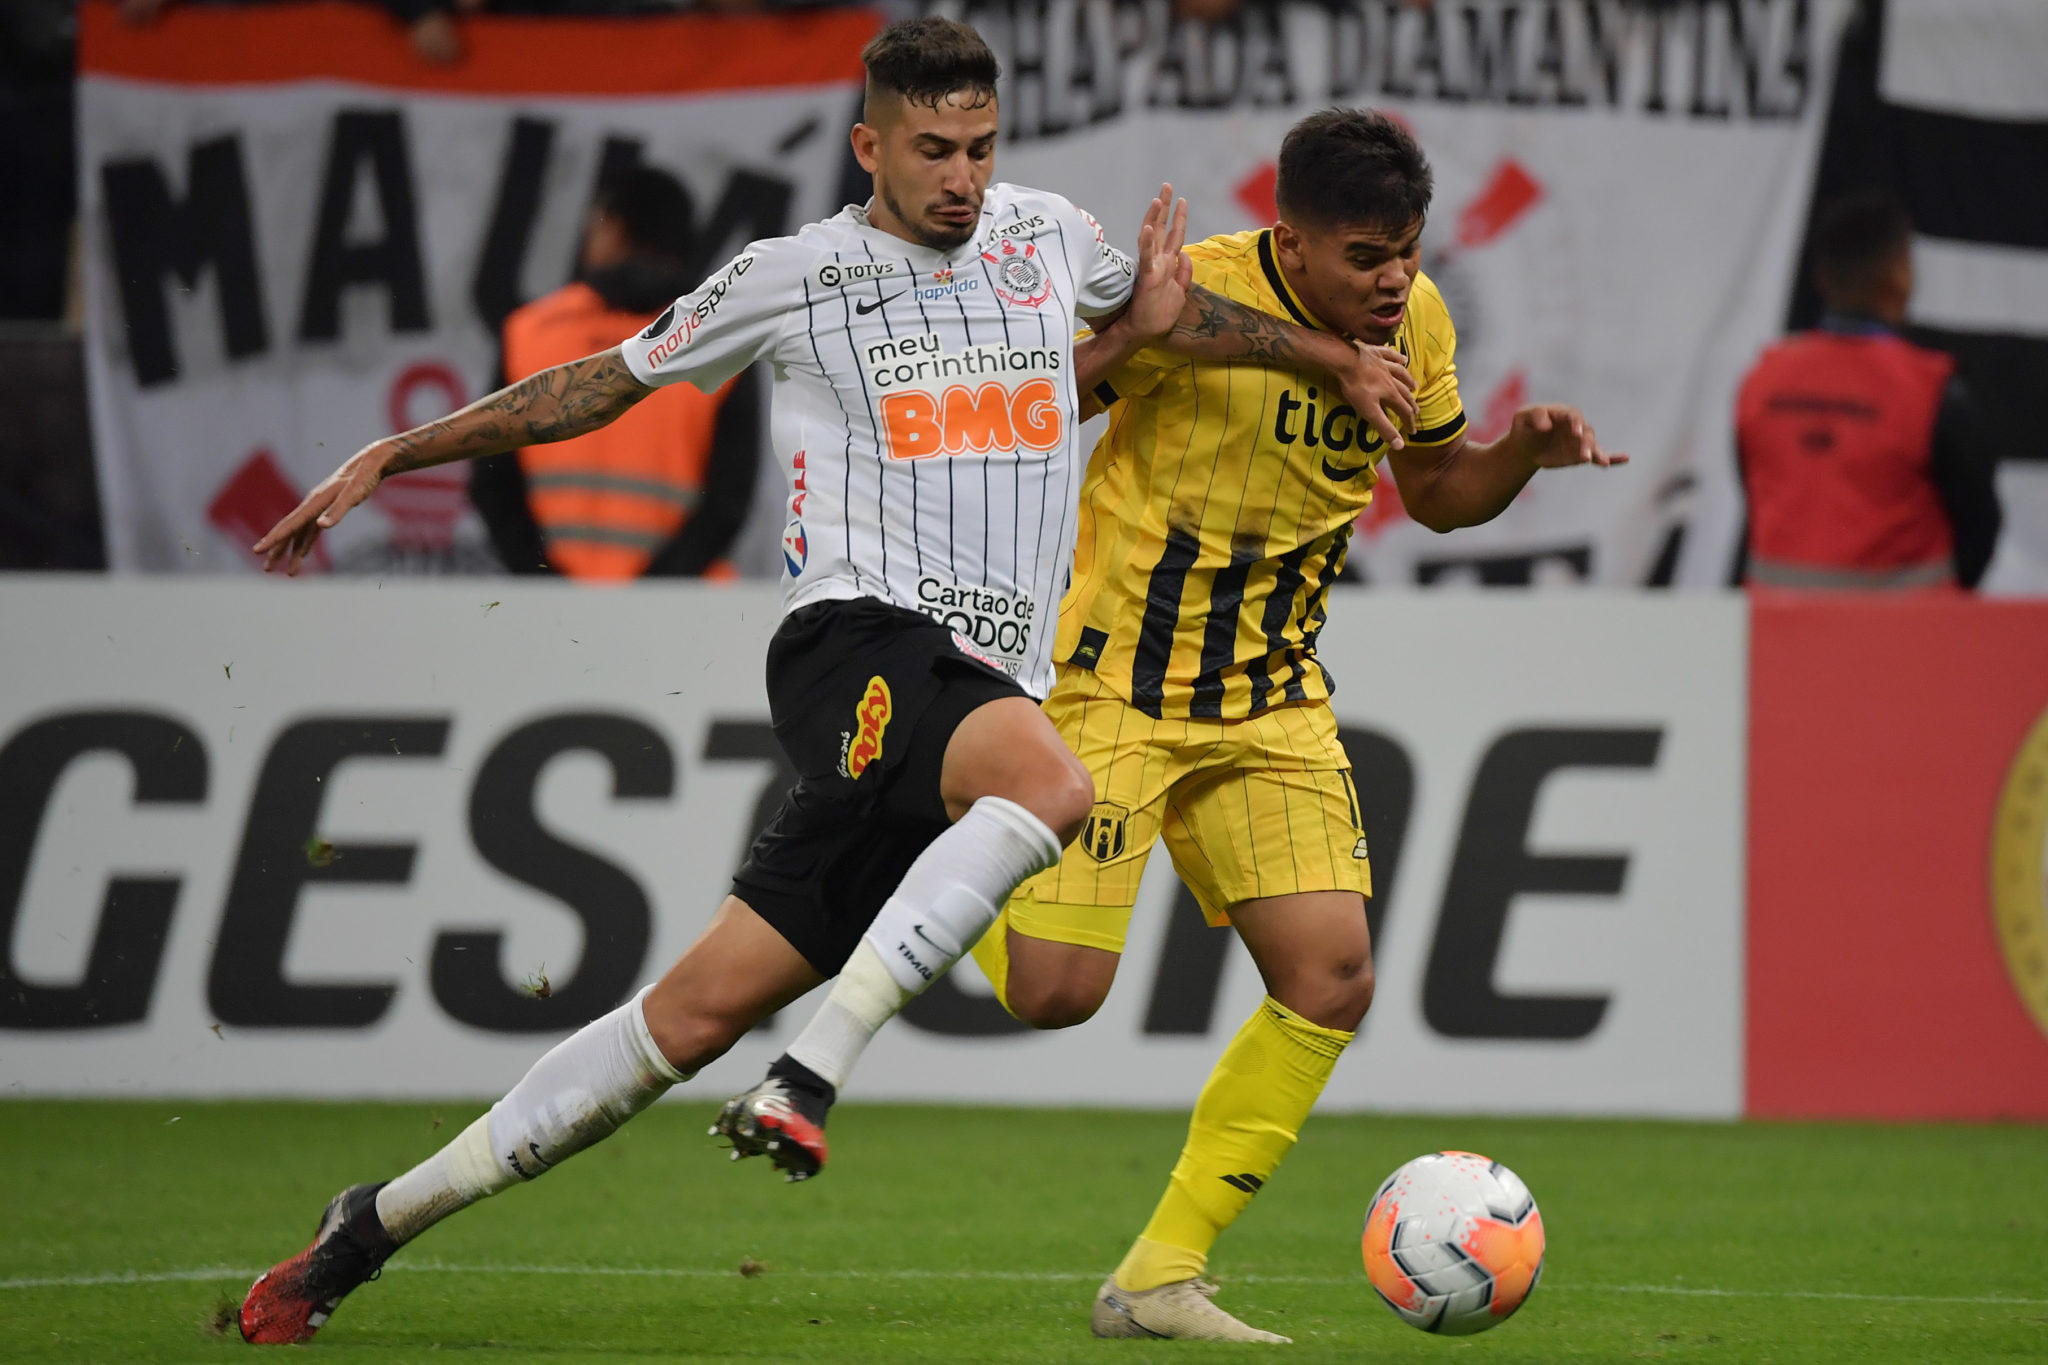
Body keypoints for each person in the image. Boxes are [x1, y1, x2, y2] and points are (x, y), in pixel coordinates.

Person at [234, 17, 1417, 1346]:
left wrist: (1312, 354)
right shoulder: (797, 274)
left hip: (962, 696)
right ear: (871, 145)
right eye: (931, 149)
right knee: (1053, 778)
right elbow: (601, 385)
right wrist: (404, 449)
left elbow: (1180, 320)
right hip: (853, 646)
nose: (961, 174)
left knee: (681, 1021)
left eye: (977, 144)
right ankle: (814, 1068)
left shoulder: (1046, 239)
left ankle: (369, 1225)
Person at [732, 107, 1624, 1342]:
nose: (1393, 279)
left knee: (1330, 978)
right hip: (1111, 691)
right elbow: (1033, 410)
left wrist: (1516, 455)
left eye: (1407, 249)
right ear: (1291, 243)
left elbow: (1432, 490)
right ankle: (941, 830)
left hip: (1270, 701)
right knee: (1052, 994)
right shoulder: (1186, 296)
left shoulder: (1413, 322)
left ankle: (1156, 1275)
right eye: (1365, 256)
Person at [469, 166, 760, 579]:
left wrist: (544, 582)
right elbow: (728, 502)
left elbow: (493, 485)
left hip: (552, 619)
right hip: (678, 618)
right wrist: (652, 591)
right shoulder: (723, 341)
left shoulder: (530, 333)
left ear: (615, 230)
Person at [1735, 193, 2002, 591]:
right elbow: (1978, 528)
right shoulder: (1934, 394)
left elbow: (1754, 499)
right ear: (1901, 276)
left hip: (1781, 643)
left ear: (1821, 277)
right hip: (1906, 644)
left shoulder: (1760, 384)